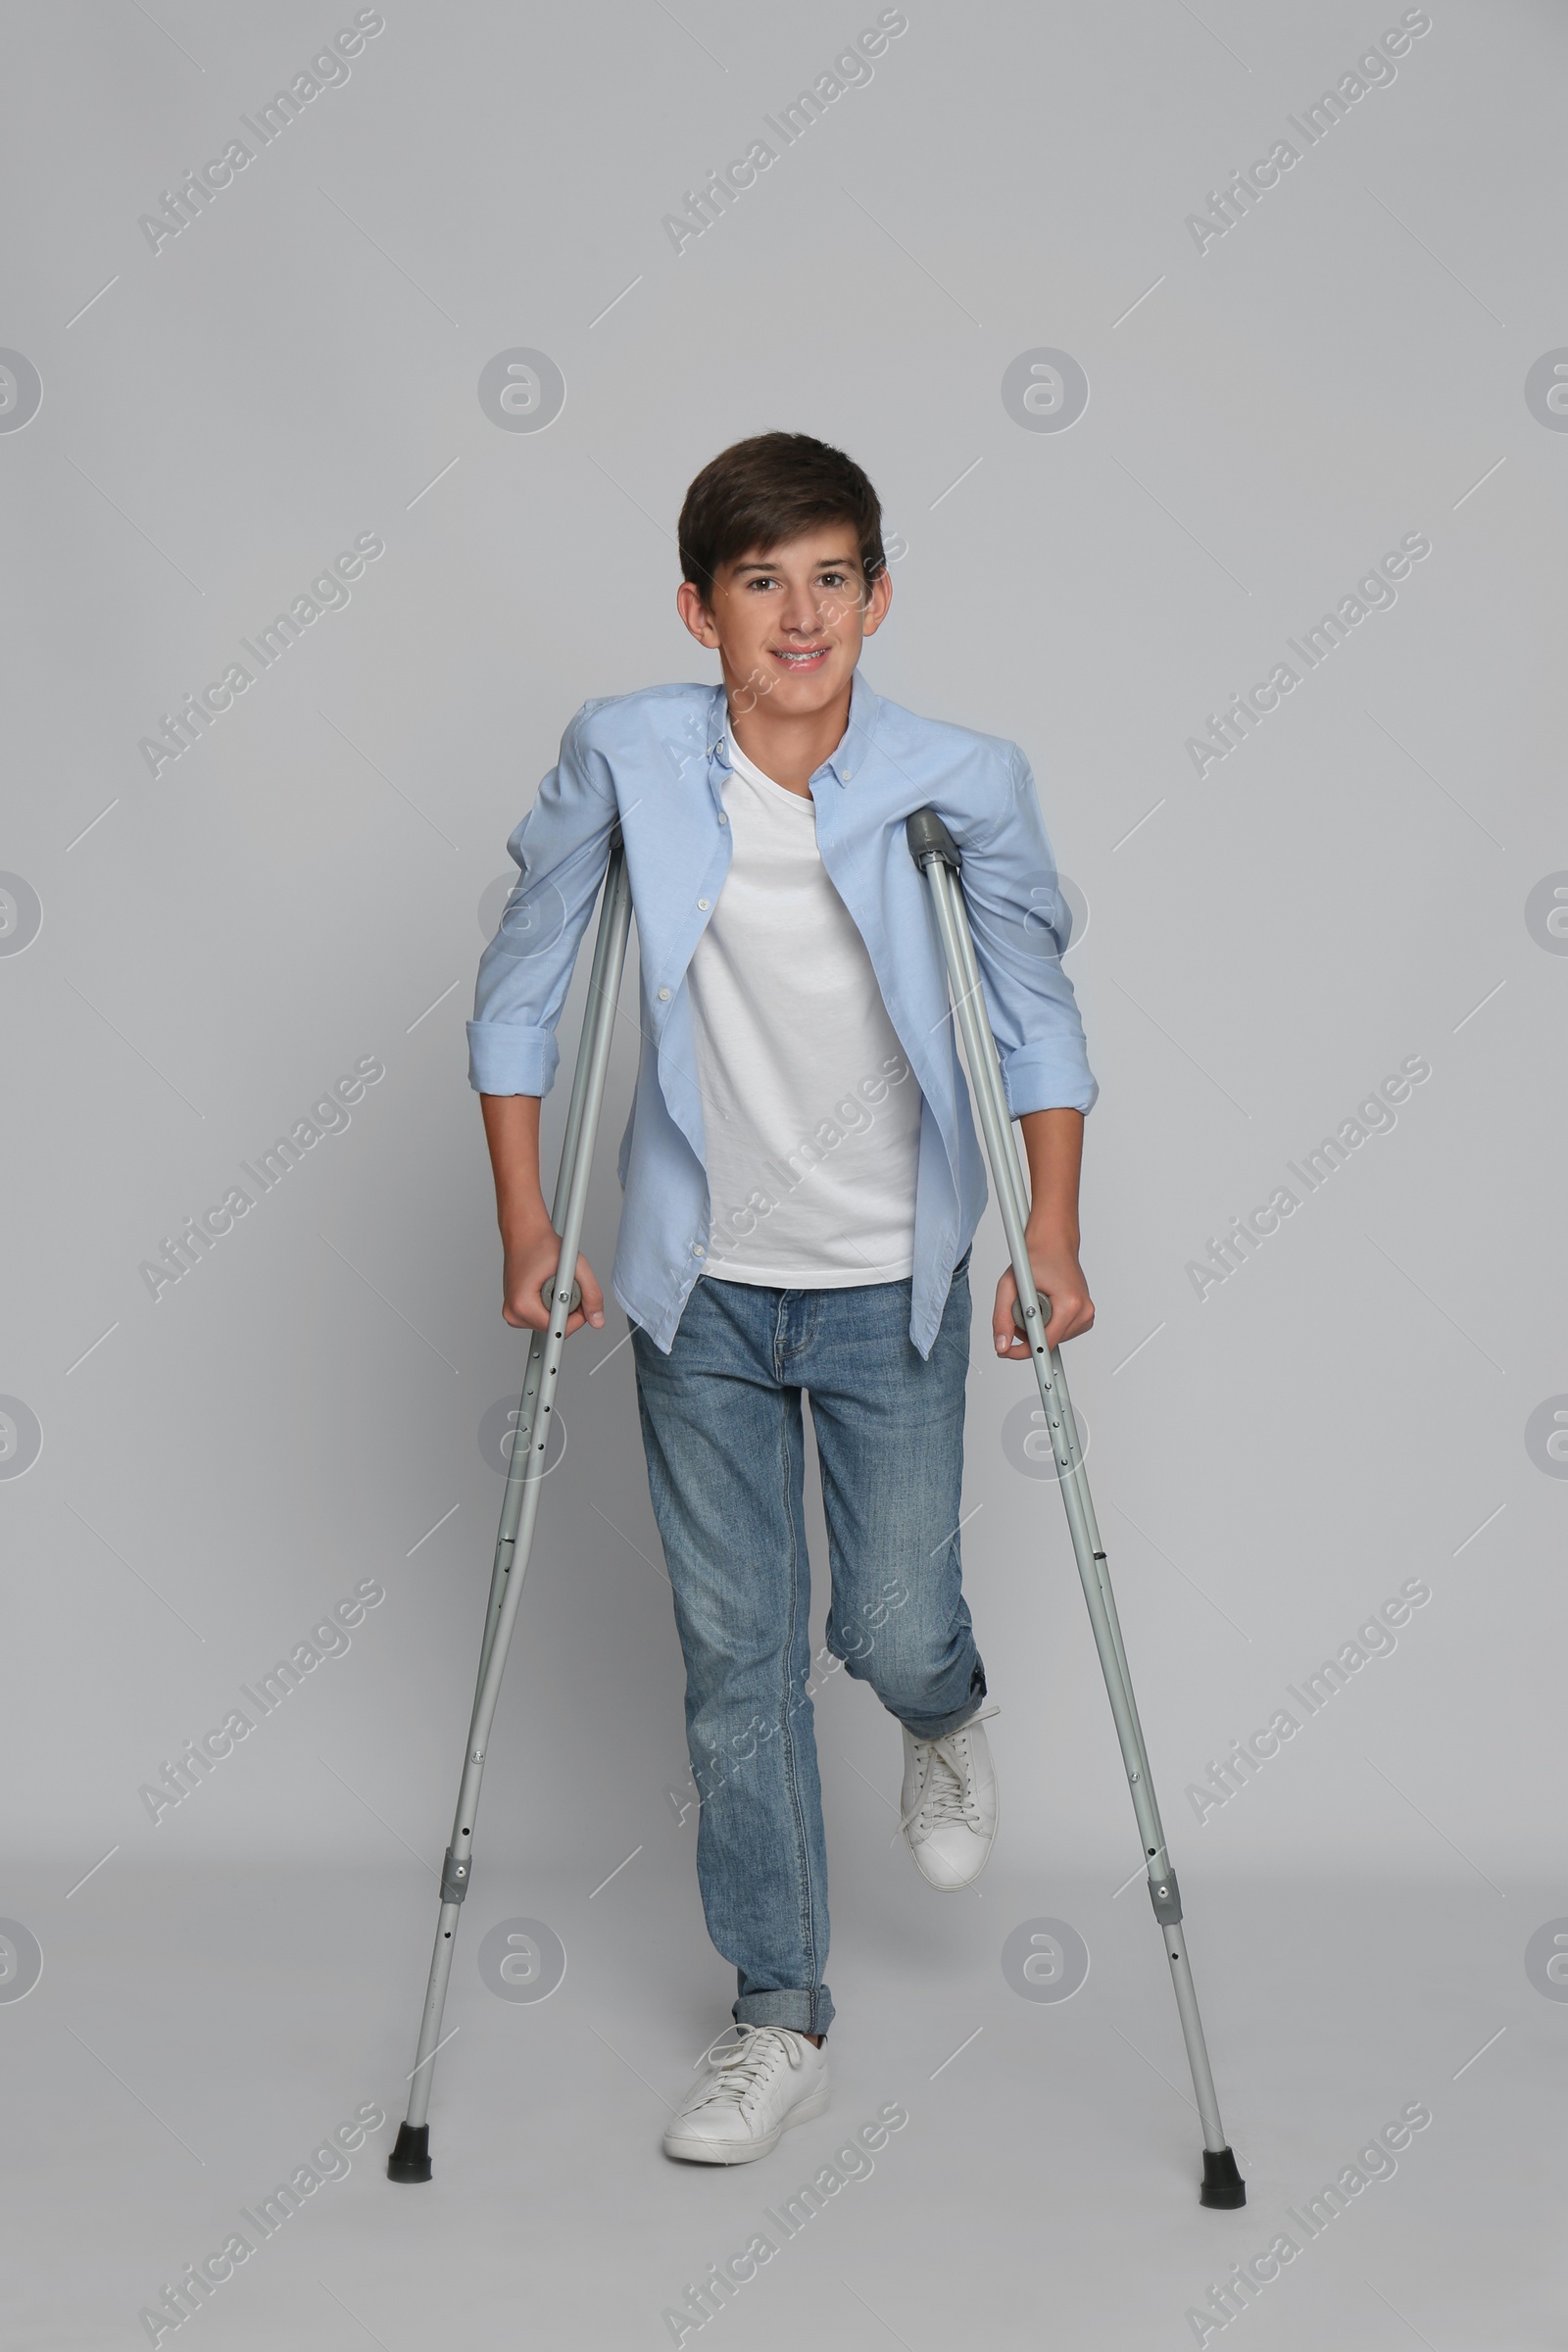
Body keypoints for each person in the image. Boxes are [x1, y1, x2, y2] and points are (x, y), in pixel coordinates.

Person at [466, 430, 1097, 2165]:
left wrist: (1048, 1228)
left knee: (888, 1621)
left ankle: (944, 1714)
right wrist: (528, 1223)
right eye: (761, 582)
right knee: (737, 1667)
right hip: (703, 1293)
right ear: (702, 607)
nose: (799, 615)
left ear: (878, 597)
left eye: (831, 578)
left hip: (888, 1277)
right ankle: (777, 2012)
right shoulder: (629, 755)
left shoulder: (961, 777)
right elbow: (524, 993)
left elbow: (1035, 1015)